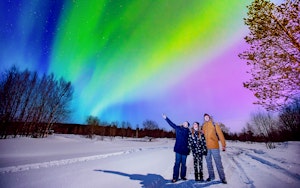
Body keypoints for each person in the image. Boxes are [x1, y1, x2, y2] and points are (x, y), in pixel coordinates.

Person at [162, 114, 190, 183]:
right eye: (184, 122)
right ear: (183, 124)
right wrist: (166, 118)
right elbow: (171, 124)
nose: (185, 123)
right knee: (177, 163)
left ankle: (183, 176)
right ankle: (175, 177)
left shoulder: (189, 132)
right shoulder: (178, 128)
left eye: (186, 123)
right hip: (178, 149)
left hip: (185, 150)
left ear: (188, 125)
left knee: (183, 164)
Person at [202, 113, 227, 184]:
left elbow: (220, 134)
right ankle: (211, 176)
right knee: (209, 163)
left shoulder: (214, 124)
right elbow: (202, 136)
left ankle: (222, 178)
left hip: (214, 147)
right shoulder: (203, 126)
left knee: (218, 163)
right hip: (206, 148)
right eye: (205, 117)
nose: (206, 118)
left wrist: (223, 144)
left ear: (209, 117)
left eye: (207, 117)